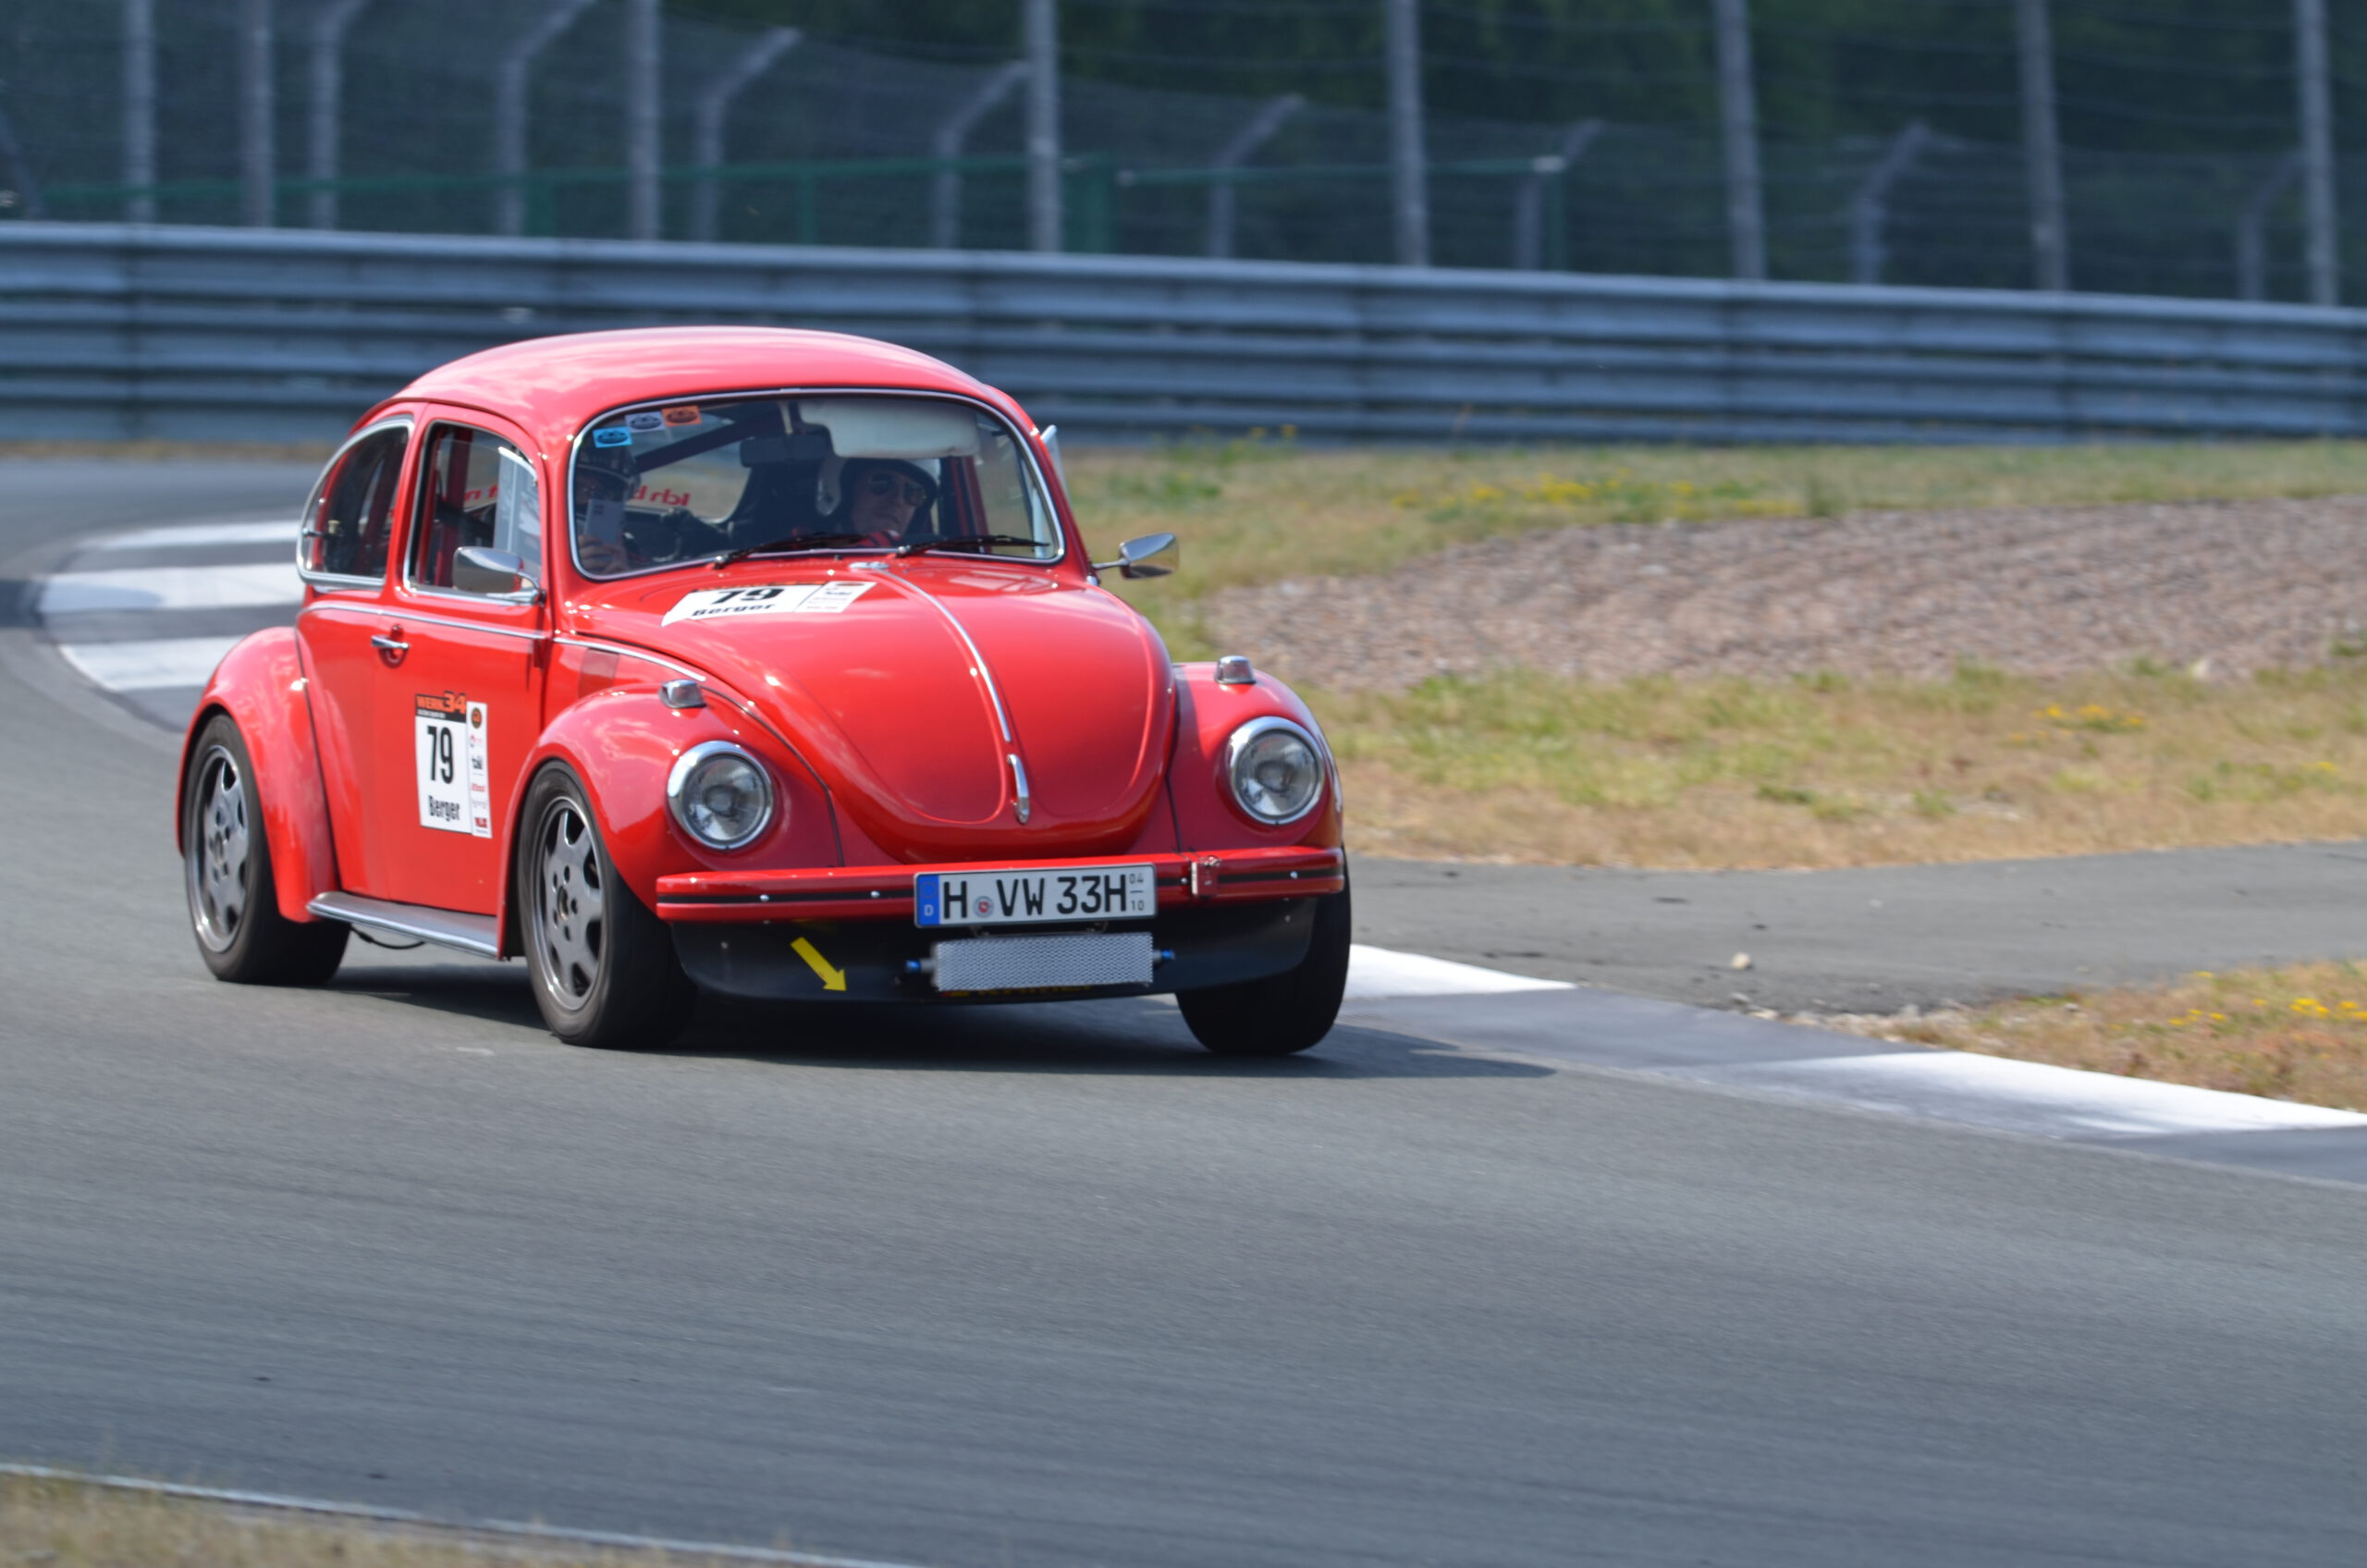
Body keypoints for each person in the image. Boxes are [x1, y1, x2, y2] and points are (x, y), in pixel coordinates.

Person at [829, 457, 939, 544]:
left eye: (914, 492)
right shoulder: (813, 565)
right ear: (848, 489)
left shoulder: (928, 567)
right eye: (883, 483)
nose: (898, 501)